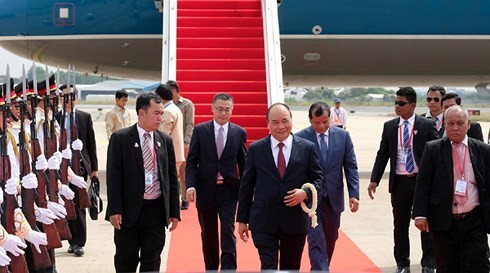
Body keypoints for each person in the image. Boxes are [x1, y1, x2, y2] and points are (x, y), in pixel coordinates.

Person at [237, 103, 323, 270]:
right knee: (268, 266)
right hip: (263, 220)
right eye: (275, 122)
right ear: (267, 124)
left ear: (292, 120)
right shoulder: (256, 149)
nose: (281, 126)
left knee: (290, 267)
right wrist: (242, 220)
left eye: (285, 121)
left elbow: (319, 179)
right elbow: (246, 186)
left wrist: (305, 193)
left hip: (295, 220)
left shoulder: (307, 148)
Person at [106, 92, 180, 272]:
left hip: (155, 210)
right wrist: (114, 209)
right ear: (141, 113)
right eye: (156, 113)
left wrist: (174, 211)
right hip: (128, 212)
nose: (160, 118)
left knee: (152, 260)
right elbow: (113, 177)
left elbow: (171, 177)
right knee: (126, 260)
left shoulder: (164, 140)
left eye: (161, 113)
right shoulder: (121, 139)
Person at [368, 87, 438, 273]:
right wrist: (374, 179)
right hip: (399, 183)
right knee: (400, 226)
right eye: (396, 102)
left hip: (421, 182)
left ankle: (429, 264)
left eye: (401, 103)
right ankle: (402, 264)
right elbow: (382, 154)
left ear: (413, 105)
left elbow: (436, 155)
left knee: (425, 223)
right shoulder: (389, 126)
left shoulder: (427, 125)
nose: (397, 106)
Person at [413, 105, 490, 272]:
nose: (455, 128)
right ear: (444, 125)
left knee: (479, 265)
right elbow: (423, 184)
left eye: (460, 123)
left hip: (474, 221)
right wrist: (420, 214)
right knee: (447, 266)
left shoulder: (482, 150)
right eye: (450, 123)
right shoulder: (433, 149)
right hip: (444, 221)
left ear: (468, 124)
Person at [295, 101, 360, 271]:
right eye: (317, 122)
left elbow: (351, 166)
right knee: (315, 239)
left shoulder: (343, 136)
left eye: (325, 122)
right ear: (310, 120)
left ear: (330, 118)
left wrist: (354, 194)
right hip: (311, 200)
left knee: (331, 238)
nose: (321, 126)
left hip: (333, 198)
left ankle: (323, 268)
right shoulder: (300, 138)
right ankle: (320, 270)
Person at [185, 93, 247, 270]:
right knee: (209, 233)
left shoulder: (238, 132)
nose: (223, 113)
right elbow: (192, 162)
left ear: (232, 110)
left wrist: (247, 191)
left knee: (228, 230)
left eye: (227, 109)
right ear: (212, 108)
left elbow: (244, 165)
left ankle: (229, 269)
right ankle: (211, 268)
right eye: (220, 109)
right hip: (206, 190)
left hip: (229, 190)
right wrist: (190, 185)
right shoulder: (200, 130)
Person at [55, 85, 98, 257]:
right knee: (65, 204)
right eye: (65, 96)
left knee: (79, 204)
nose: (69, 100)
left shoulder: (83, 117)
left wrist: (94, 168)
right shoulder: (55, 118)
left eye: (72, 96)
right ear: (59, 99)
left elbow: (91, 143)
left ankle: (79, 242)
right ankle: (70, 239)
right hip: (60, 167)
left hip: (79, 166)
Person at [167, 80, 195, 210]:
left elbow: (190, 123)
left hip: (181, 142)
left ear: (174, 91)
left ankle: (184, 198)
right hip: (169, 141)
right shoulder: (166, 105)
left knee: (182, 171)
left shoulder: (186, 104)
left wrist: (186, 141)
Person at [155, 84, 184, 187]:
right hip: (177, 152)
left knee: (168, 183)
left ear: (159, 96)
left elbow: (163, 135)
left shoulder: (167, 111)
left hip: (170, 153)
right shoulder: (176, 108)